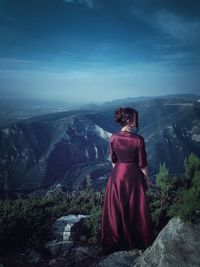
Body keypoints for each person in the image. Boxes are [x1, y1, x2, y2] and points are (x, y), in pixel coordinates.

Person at [99, 107, 155, 255]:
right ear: (129, 120)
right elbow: (143, 164)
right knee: (135, 207)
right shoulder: (138, 140)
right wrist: (147, 180)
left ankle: (117, 240)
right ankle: (137, 240)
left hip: (117, 176)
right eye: (135, 118)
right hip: (133, 177)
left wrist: (118, 172)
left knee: (116, 208)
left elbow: (113, 161)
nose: (137, 121)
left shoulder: (113, 138)